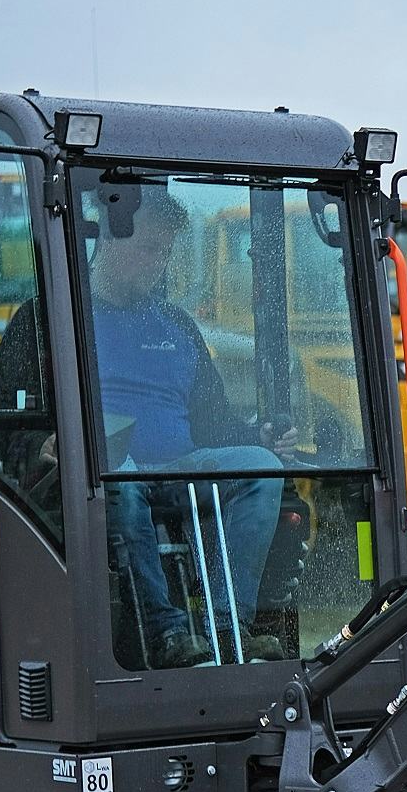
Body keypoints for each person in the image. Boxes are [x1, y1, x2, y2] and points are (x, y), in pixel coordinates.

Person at [87, 188, 292, 667]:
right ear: (113, 241)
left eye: (167, 251)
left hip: (181, 472)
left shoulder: (177, 327)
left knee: (262, 467)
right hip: (101, 478)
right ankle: (165, 632)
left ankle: (227, 626)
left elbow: (213, 417)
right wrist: (45, 444)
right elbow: (3, 416)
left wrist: (256, 437)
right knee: (123, 474)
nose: (160, 263)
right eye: (150, 249)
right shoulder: (54, 318)